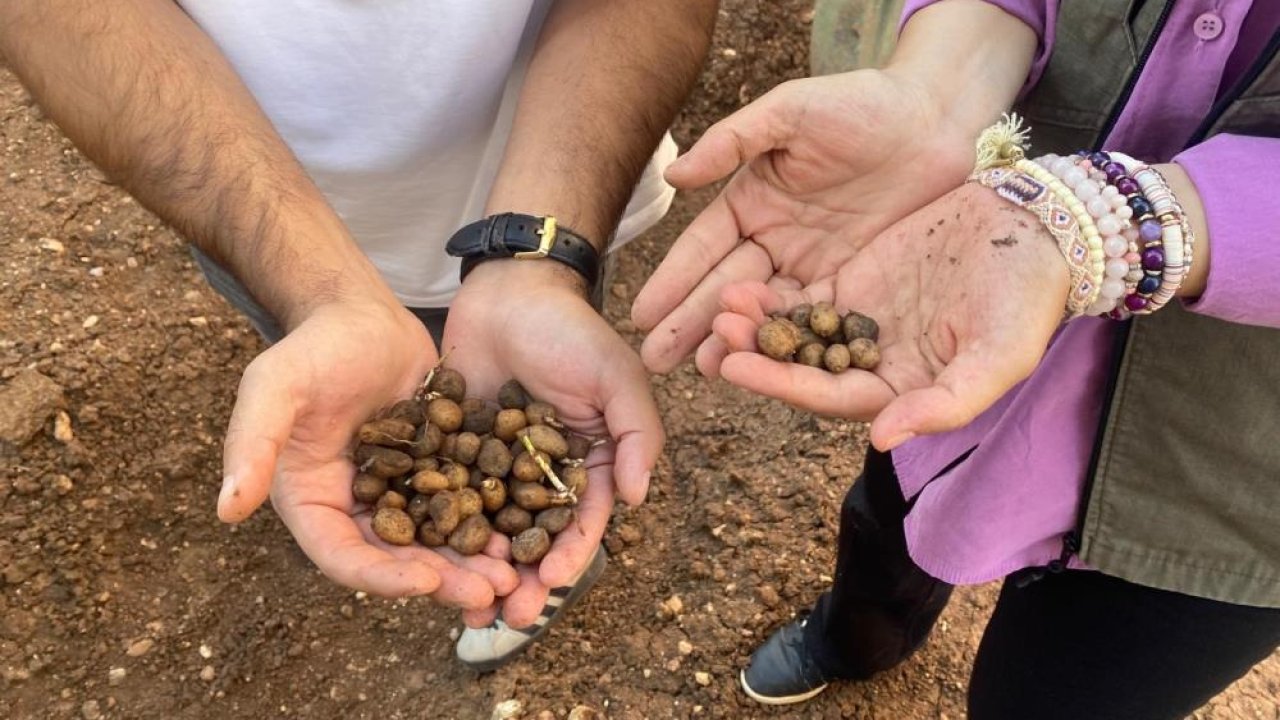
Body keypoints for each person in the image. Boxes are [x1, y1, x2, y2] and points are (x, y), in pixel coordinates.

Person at [0, 0, 716, 670]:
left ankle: (550, 550)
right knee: (318, 362)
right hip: (246, 203)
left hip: (557, 187)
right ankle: (331, 378)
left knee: (545, 379)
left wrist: (538, 264)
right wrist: (321, 296)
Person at [634, 0, 1280, 717]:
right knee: (891, 520)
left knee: (1068, 692)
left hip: (1232, 476)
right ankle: (851, 640)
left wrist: (1115, 219)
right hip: (962, 293)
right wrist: (940, 88)